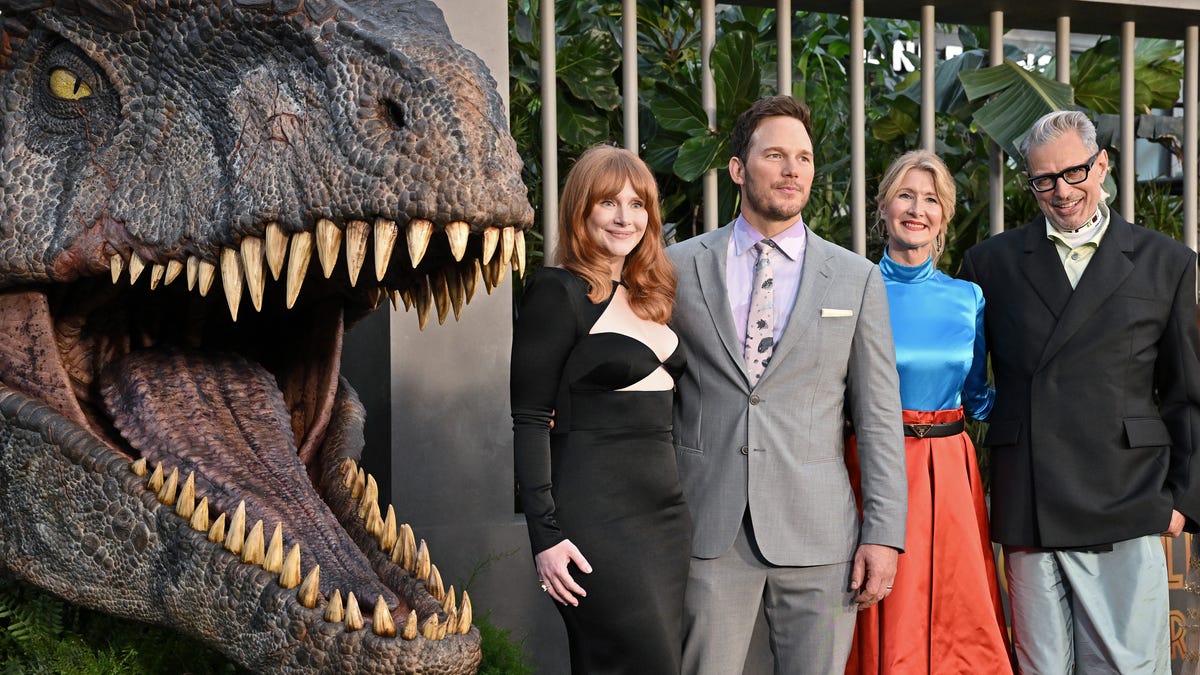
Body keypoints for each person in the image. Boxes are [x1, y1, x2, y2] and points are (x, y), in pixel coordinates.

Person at [666, 94, 906, 674]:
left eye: (803, 156)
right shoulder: (675, 267)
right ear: (738, 169)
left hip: (821, 538)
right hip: (708, 529)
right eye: (775, 154)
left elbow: (877, 416)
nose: (792, 169)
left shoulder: (855, 278)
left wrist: (885, 534)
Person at [960, 110, 1200, 674]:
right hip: (1031, 498)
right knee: (1041, 667)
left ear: (1103, 166)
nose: (1061, 191)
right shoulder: (989, 264)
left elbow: (1188, 394)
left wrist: (1181, 503)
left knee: (1128, 667)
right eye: (1044, 179)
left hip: (1127, 495)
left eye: (1074, 173)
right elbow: (965, 381)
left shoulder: (1168, 263)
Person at [510, 144, 691, 674]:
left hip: (665, 519)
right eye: (609, 202)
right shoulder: (556, 291)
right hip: (596, 521)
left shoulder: (648, 295)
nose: (625, 217)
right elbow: (529, 420)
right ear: (581, 209)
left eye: (638, 205)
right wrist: (545, 537)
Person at [844, 150, 1011, 675]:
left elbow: (981, 395)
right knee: (883, 600)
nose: (917, 209)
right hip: (873, 464)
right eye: (906, 195)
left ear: (944, 215)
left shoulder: (969, 299)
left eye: (931, 199)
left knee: (958, 604)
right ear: (883, 206)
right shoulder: (852, 287)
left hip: (951, 471)